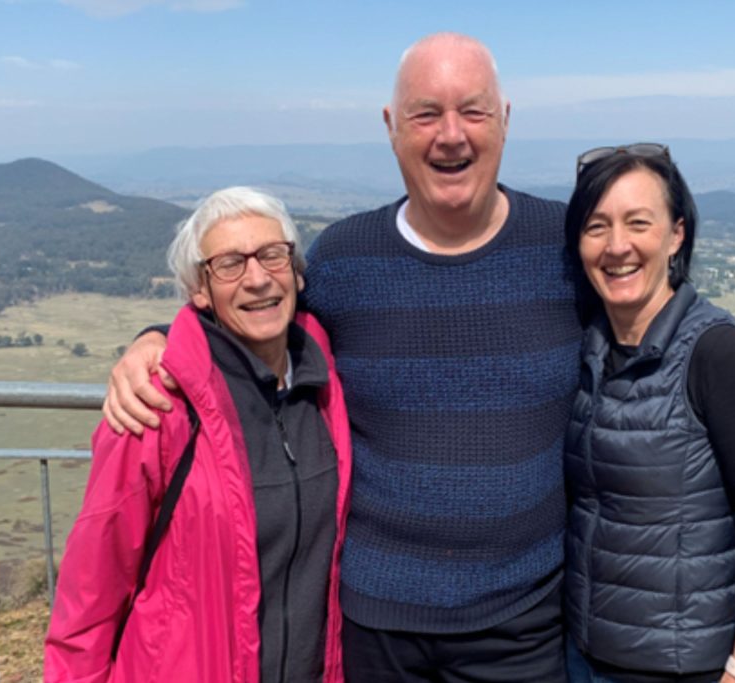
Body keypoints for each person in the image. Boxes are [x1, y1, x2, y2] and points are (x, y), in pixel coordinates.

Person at [101, 34, 581, 682]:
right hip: (374, 627)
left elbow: (655, 317)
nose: (451, 135)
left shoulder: (566, 246)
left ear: (505, 119)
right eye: (425, 113)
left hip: (523, 624)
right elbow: (257, 321)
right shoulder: (345, 258)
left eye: (472, 111)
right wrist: (156, 337)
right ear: (390, 127)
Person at [45, 187, 352, 683]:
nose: (257, 278)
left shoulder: (327, 385)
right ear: (200, 290)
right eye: (230, 263)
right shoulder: (157, 405)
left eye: (273, 255)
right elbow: (90, 598)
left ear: (296, 270)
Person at [562, 145, 735, 683]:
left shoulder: (720, 353)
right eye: (596, 227)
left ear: (676, 234)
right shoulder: (590, 349)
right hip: (583, 655)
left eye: (638, 223)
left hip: (683, 668)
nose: (617, 246)